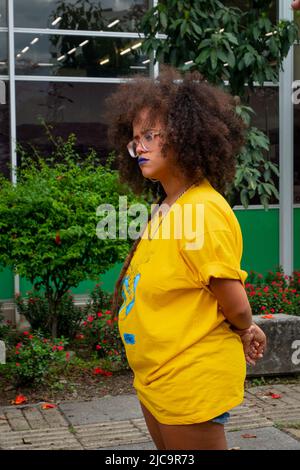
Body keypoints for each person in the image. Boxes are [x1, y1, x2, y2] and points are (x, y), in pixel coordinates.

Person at [107, 67, 266, 450]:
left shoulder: (203, 210)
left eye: (150, 136)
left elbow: (234, 300)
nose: (139, 147)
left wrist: (246, 327)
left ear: (184, 137)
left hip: (189, 378)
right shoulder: (167, 207)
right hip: (157, 378)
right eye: (135, 140)